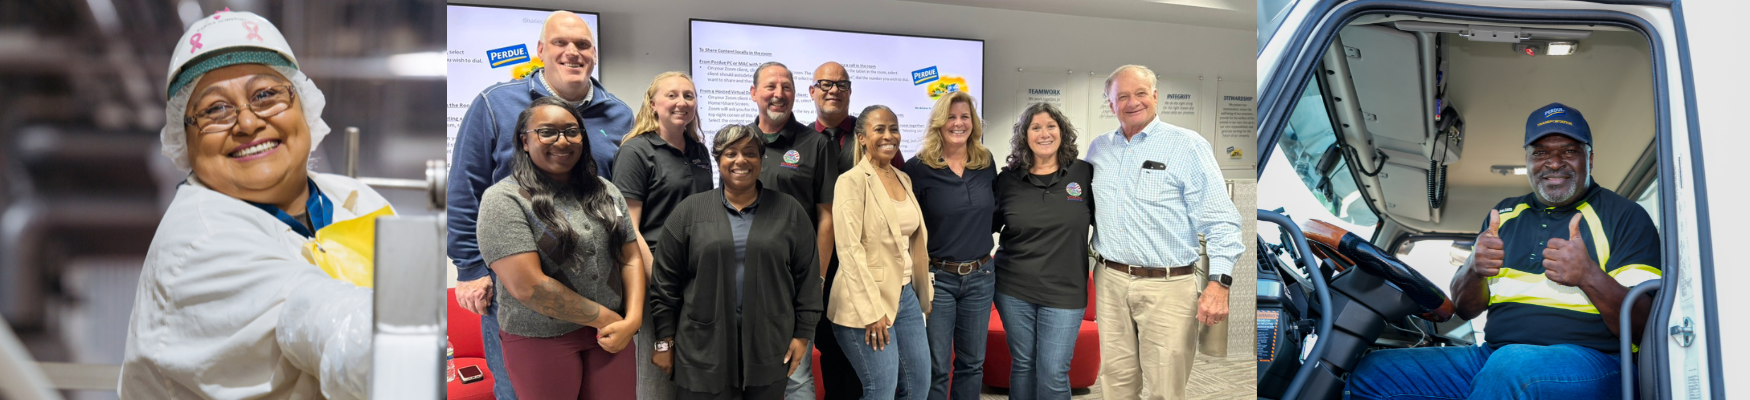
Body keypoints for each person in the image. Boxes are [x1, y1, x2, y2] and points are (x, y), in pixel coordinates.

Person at [122, 11, 386, 399]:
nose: (247, 122)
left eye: (265, 95)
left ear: (303, 105)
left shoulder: (356, 200)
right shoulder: (200, 242)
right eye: (215, 110)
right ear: (185, 138)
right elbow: (324, 321)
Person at [1345, 103, 1660, 400]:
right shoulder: (1504, 215)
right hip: (1492, 356)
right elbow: (1466, 310)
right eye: (1540, 153)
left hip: (1598, 364)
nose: (1553, 163)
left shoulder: (1625, 216)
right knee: (1374, 372)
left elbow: (1643, 328)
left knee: (1511, 367)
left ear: (1589, 159)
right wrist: (1473, 268)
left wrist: (1589, 275)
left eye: (1569, 151)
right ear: (1527, 160)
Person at [447, 11, 638, 400]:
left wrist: (629, 312)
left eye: (582, 44)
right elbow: (466, 187)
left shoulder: (619, 114)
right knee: (516, 390)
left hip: (602, 290)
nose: (572, 52)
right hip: (524, 297)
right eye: (560, 43)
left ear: (594, 54)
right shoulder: (494, 104)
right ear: (540, 51)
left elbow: (618, 201)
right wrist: (469, 268)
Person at [1085, 65, 1243, 400]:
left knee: (1165, 388)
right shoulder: (1099, 150)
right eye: (1122, 96)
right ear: (1110, 104)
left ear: (1155, 96)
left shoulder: (1187, 146)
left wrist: (1219, 284)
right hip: (1110, 281)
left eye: (1141, 93)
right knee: (1115, 381)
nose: (1133, 102)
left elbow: (1221, 221)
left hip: (1169, 287)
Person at [476, 96, 644, 399]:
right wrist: (610, 319)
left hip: (611, 336)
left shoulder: (606, 190)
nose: (562, 141)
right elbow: (529, 286)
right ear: (524, 141)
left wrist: (632, 320)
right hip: (540, 338)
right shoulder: (503, 200)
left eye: (571, 131)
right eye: (547, 132)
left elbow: (629, 256)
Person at [648, 124, 825, 400]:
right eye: (730, 153)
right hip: (701, 350)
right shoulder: (689, 212)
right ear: (718, 160)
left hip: (769, 347)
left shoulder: (789, 210)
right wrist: (664, 340)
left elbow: (808, 279)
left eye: (750, 153)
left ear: (761, 160)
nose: (741, 160)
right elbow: (664, 284)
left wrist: (803, 334)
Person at [790, 61, 896, 399]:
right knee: (830, 350)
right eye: (825, 84)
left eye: (841, 84)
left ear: (850, 92)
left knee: (868, 354)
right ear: (812, 91)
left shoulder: (876, 137)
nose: (833, 90)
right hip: (819, 264)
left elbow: (899, 196)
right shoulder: (802, 141)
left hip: (868, 267)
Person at [613, 71, 714, 400]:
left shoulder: (699, 151)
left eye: (689, 95)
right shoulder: (636, 152)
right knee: (658, 380)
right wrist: (660, 280)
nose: (681, 102)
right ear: (653, 104)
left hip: (699, 282)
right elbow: (628, 228)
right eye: (672, 95)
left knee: (695, 378)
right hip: (657, 281)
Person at [992, 103, 1096, 400]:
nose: (1044, 133)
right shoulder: (1007, 180)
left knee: (1053, 371)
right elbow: (986, 224)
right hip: (1014, 288)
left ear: (1062, 132)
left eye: (1051, 126)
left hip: (1066, 291)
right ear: (1025, 136)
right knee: (1023, 364)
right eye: (1035, 127)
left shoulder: (1084, 173)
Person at [830, 104, 933, 400]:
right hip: (866, 302)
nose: (889, 136)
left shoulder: (903, 178)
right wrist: (872, 312)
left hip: (905, 296)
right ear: (862, 138)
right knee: (881, 391)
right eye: (880, 129)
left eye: (894, 128)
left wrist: (922, 291)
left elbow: (912, 243)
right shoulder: (851, 181)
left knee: (918, 386)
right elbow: (849, 250)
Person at [902, 91, 998, 400]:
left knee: (972, 364)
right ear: (939, 123)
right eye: (951, 117)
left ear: (974, 123)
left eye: (965, 117)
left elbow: (994, 213)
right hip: (937, 279)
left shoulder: (985, 162)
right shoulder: (917, 168)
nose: (958, 123)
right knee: (937, 365)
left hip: (981, 276)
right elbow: (908, 228)